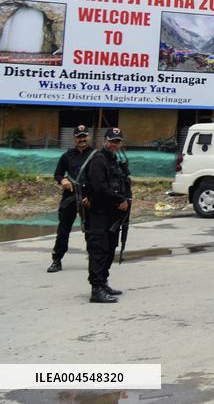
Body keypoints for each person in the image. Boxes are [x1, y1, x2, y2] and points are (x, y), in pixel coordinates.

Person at [83, 127, 131, 303]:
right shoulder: (98, 160)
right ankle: (96, 289)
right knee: (99, 250)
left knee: (110, 249)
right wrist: (120, 200)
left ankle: (103, 282)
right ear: (105, 141)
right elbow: (99, 187)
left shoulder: (114, 161)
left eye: (117, 141)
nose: (114, 144)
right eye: (111, 141)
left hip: (113, 214)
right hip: (99, 213)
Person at [46, 125, 95, 273]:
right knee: (63, 229)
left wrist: (92, 196)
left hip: (88, 197)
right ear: (75, 138)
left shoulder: (95, 155)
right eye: (79, 137)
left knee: (91, 230)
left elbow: (99, 178)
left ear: (89, 137)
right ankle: (57, 260)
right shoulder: (67, 156)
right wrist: (63, 181)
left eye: (84, 136)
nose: (82, 139)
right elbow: (58, 174)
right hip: (70, 196)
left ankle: (94, 261)